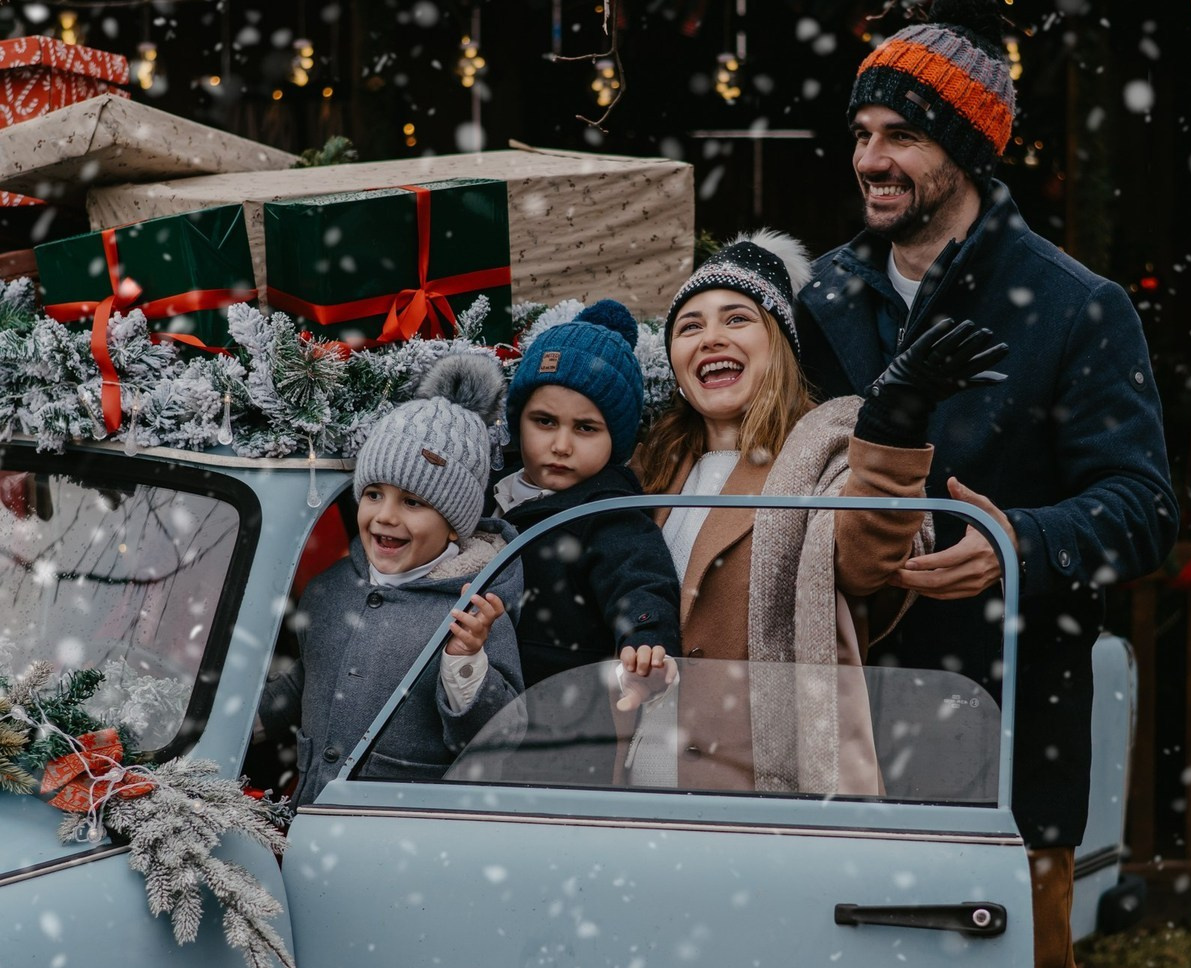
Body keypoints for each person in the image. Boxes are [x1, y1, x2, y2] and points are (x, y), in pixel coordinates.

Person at [794, 1, 1180, 968]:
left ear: (966, 148)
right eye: (860, 133)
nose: (871, 159)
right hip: (839, 708)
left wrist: (1015, 540)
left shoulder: (1072, 307)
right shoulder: (826, 295)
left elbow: (1141, 510)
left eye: (900, 134)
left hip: (1018, 721)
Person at [629, 230, 1007, 793]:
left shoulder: (823, 454)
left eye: (736, 319)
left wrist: (892, 428)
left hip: (757, 800)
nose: (710, 338)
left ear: (778, 343)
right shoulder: (647, 471)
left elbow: (864, 560)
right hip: (631, 788)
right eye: (690, 326)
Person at [257, 353, 524, 806]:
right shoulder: (330, 588)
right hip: (312, 816)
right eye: (374, 494)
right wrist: (231, 722)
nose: (385, 516)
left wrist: (465, 662)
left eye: (413, 503)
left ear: (454, 523)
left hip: (402, 832)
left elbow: (500, 739)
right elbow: (310, 678)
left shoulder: (474, 612)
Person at [495, 299, 681, 693]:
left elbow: (639, 578)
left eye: (585, 428)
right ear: (518, 420)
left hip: (564, 708)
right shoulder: (489, 496)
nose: (561, 445)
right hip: (481, 704)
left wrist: (645, 638)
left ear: (616, 440)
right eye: (544, 422)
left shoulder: (609, 512)